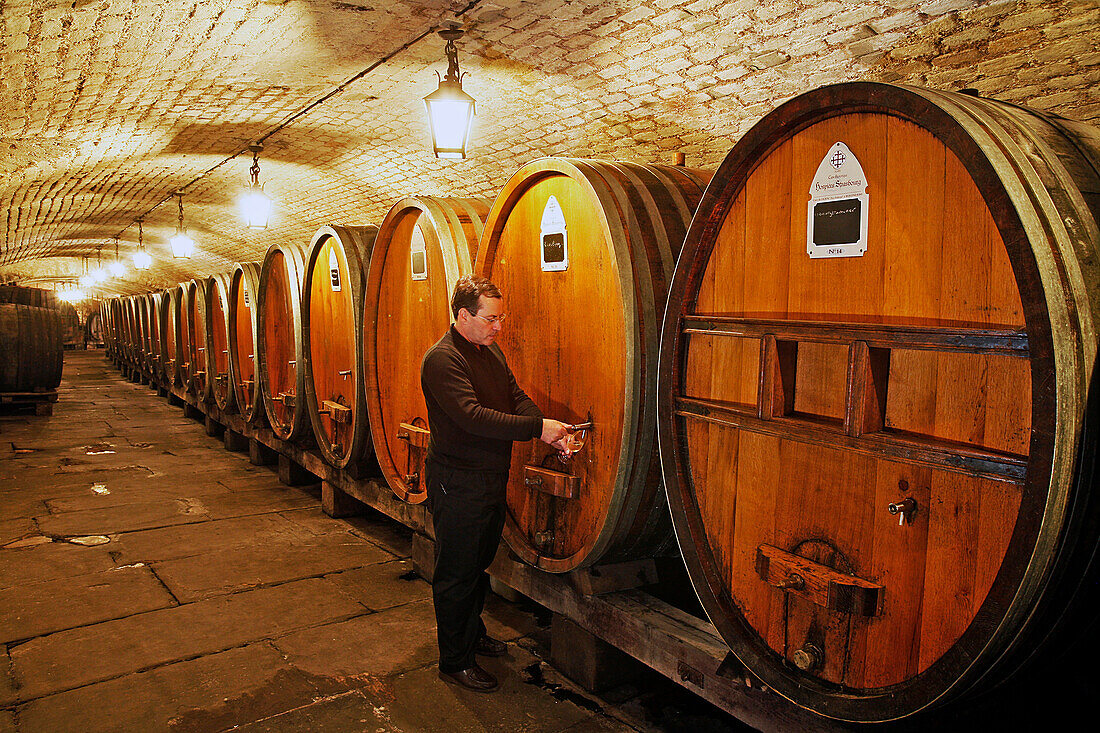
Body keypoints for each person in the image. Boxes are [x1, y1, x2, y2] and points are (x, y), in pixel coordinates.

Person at [421, 274, 572, 693]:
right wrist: (537, 429)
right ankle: (455, 660)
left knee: (479, 563)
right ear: (463, 315)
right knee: (456, 572)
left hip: (488, 479)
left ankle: (472, 634)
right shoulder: (443, 359)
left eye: (501, 318)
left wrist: (547, 425)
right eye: (491, 319)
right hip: (457, 482)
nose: (499, 327)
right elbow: (472, 416)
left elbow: (514, 395)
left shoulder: (489, 351)